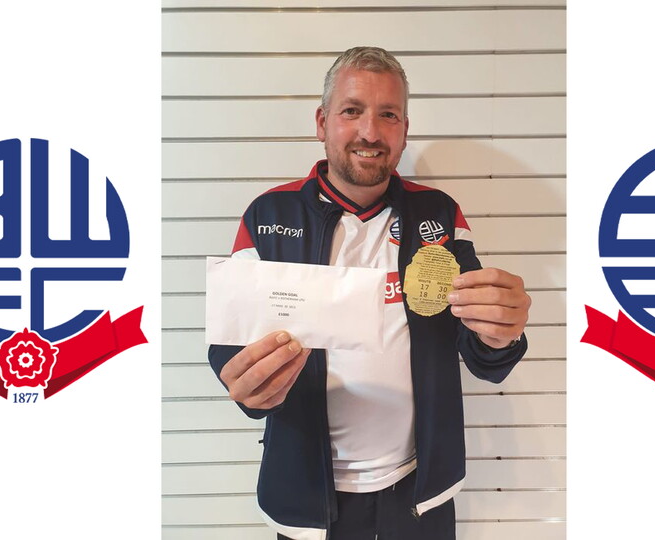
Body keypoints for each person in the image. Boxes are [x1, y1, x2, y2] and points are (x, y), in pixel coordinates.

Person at [209, 46, 531, 540]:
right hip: (308, 498)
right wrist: (248, 385)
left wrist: (501, 335)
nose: (370, 132)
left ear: (405, 129)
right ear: (322, 122)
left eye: (388, 115)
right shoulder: (269, 215)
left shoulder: (439, 214)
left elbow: (481, 351)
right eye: (352, 111)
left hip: (421, 490)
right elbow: (230, 347)